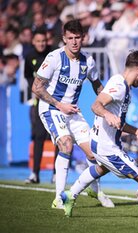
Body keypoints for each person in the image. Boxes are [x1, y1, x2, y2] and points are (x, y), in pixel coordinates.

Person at [59, 50, 138, 221]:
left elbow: (118, 122)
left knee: (102, 168)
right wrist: (107, 114)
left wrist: (136, 131)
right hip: (107, 148)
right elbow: (96, 105)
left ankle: (70, 195)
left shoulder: (120, 84)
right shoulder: (119, 86)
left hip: (100, 143)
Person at [32, 20, 114, 209]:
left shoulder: (88, 61)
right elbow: (36, 87)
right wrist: (60, 105)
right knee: (66, 144)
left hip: (72, 111)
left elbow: (96, 84)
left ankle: (94, 189)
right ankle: (59, 198)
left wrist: (108, 103)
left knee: (94, 153)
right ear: (64, 39)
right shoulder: (54, 58)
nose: (74, 42)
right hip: (51, 108)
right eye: (70, 38)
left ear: (83, 38)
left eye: (78, 37)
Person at [24, 29, 52, 184]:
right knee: (39, 137)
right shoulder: (29, 56)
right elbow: (28, 75)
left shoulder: (53, 53)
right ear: (33, 42)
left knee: (58, 138)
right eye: (38, 41)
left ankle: (56, 175)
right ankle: (35, 174)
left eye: (43, 41)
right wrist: (33, 89)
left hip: (55, 101)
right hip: (39, 102)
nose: (41, 44)